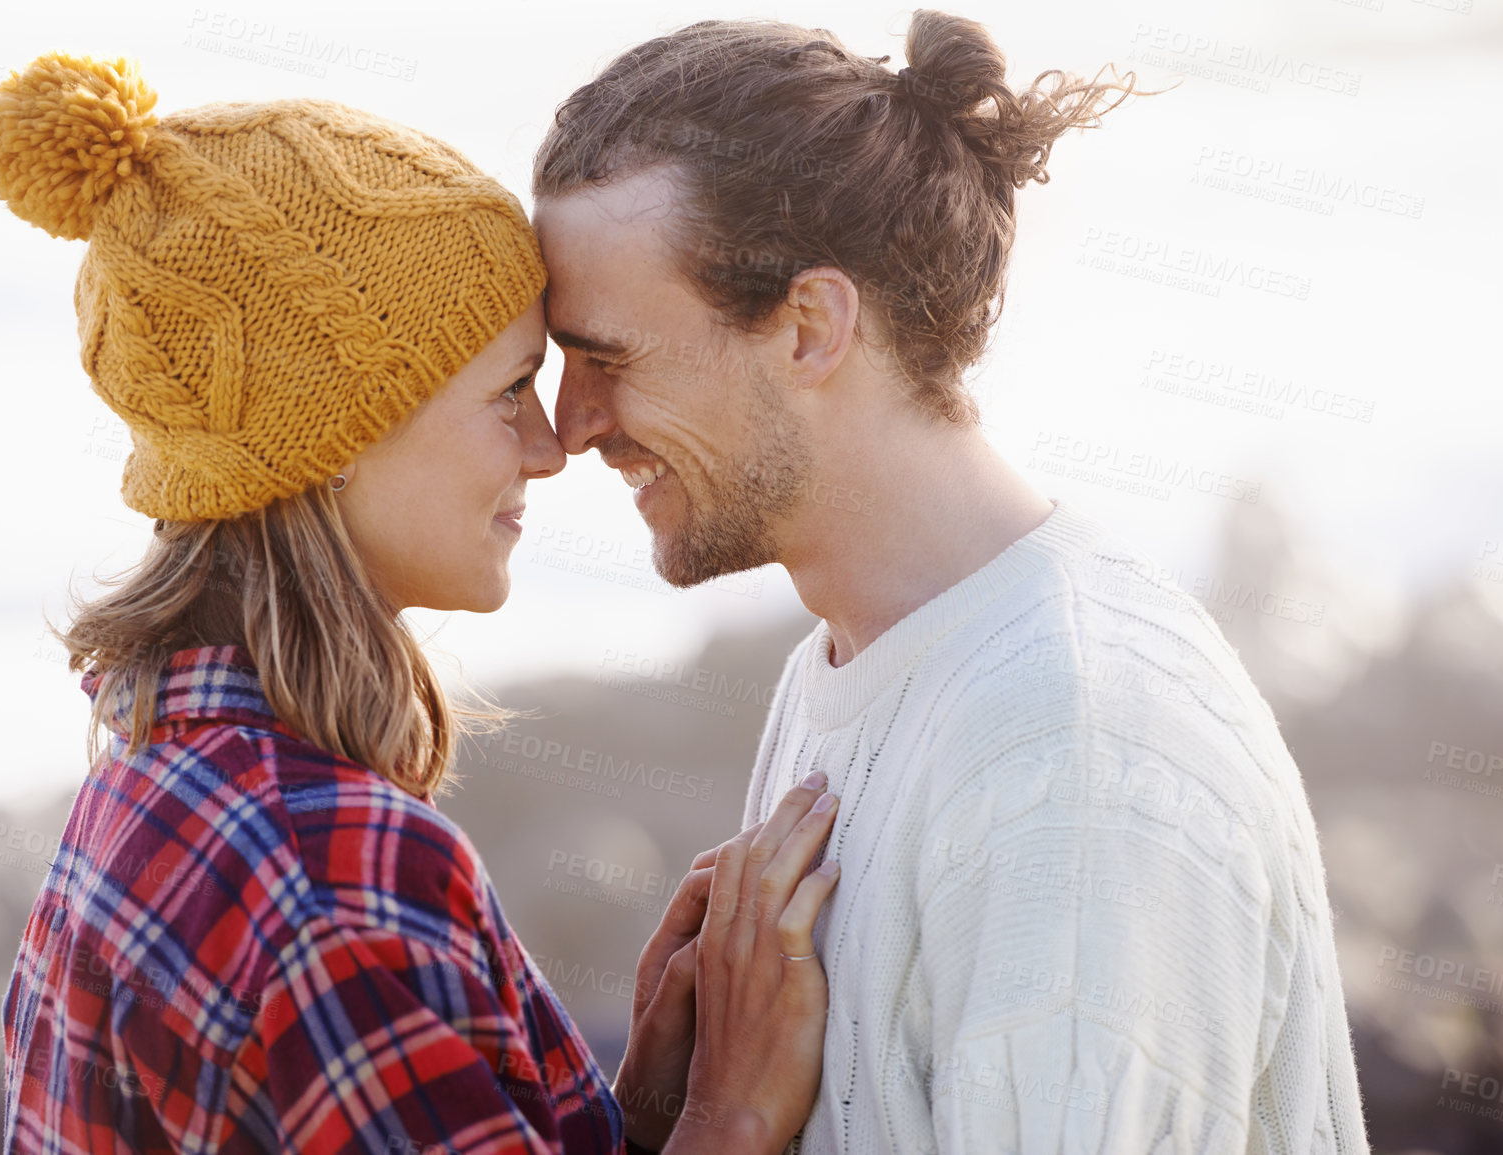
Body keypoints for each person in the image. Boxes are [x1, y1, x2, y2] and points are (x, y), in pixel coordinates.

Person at [531, 11, 1370, 1154]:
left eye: (608, 358)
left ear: (810, 327)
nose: (570, 426)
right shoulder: (854, 660)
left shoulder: (1070, 750)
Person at [0, 51, 842, 1155]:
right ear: (334, 441)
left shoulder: (146, 784)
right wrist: (738, 1111)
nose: (550, 446)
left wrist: (645, 1109)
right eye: (507, 392)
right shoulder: (325, 868)